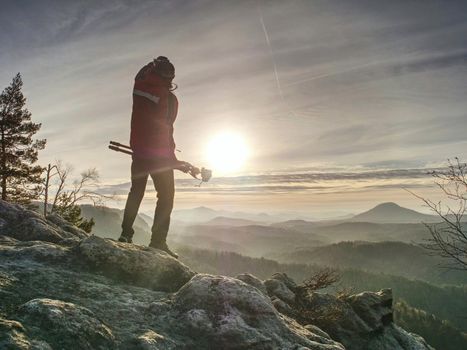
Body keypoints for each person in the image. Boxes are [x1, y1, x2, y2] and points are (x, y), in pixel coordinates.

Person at [118, 56, 185, 259]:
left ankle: (125, 234)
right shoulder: (169, 99)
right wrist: (172, 159)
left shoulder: (139, 85)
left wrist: (153, 63)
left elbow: (141, 73)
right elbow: (166, 130)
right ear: (170, 77)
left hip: (138, 150)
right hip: (159, 155)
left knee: (136, 191)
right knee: (166, 197)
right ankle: (158, 242)